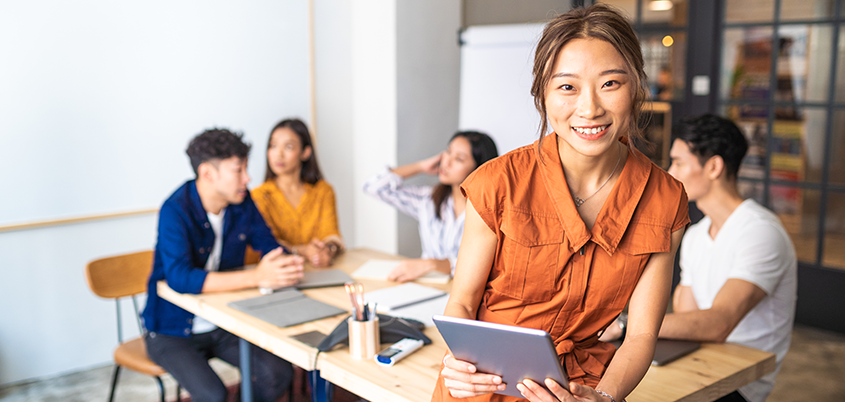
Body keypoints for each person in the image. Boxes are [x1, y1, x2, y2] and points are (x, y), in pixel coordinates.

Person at [433, 5, 690, 402]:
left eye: (610, 84)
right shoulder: (497, 182)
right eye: (567, 87)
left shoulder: (666, 199)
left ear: (636, 86)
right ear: (543, 94)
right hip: (483, 384)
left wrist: (605, 397)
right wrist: (458, 363)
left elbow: (640, 334)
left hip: (583, 389)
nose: (589, 109)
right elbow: (463, 301)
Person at [601, 114, 797, 402]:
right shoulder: (697, 234)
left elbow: (717, 324)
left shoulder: (760, 232)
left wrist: (626, 325)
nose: (670, 172)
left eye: (679, 162)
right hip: (695, 358)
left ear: (714, 167)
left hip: (740, 380)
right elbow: (687, 316)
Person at [141, 128, 302, 402]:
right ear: (207, 173)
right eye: (238, 170)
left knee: (277, 372)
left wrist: (287, 260)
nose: (247, 179)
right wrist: (257, 278)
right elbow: (180, 278)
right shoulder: (175, 209)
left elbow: (268, 243)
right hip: (172, 331)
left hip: (225, 322)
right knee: (213, 395)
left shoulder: (241, 201)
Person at [363, 131, 498, 282]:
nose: (446, 162)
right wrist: (421, 166)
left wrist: (433, 264)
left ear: (479, 168)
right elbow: (373, 187)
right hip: (426, 288)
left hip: (468, 295)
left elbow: (486, 265)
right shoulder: (427, 200)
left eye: (459, 158)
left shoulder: (491, 212)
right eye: (448, 152)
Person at [251, 118, 344, 267]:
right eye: (273, 146)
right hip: (280, 271)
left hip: (319, 270)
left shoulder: (323, 191)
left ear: (305, 152)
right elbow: (265, 241)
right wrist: (303, 250)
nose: (278, 154)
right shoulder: (259, 195)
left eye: (288, 147)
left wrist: (327, 250)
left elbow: (331, 234)